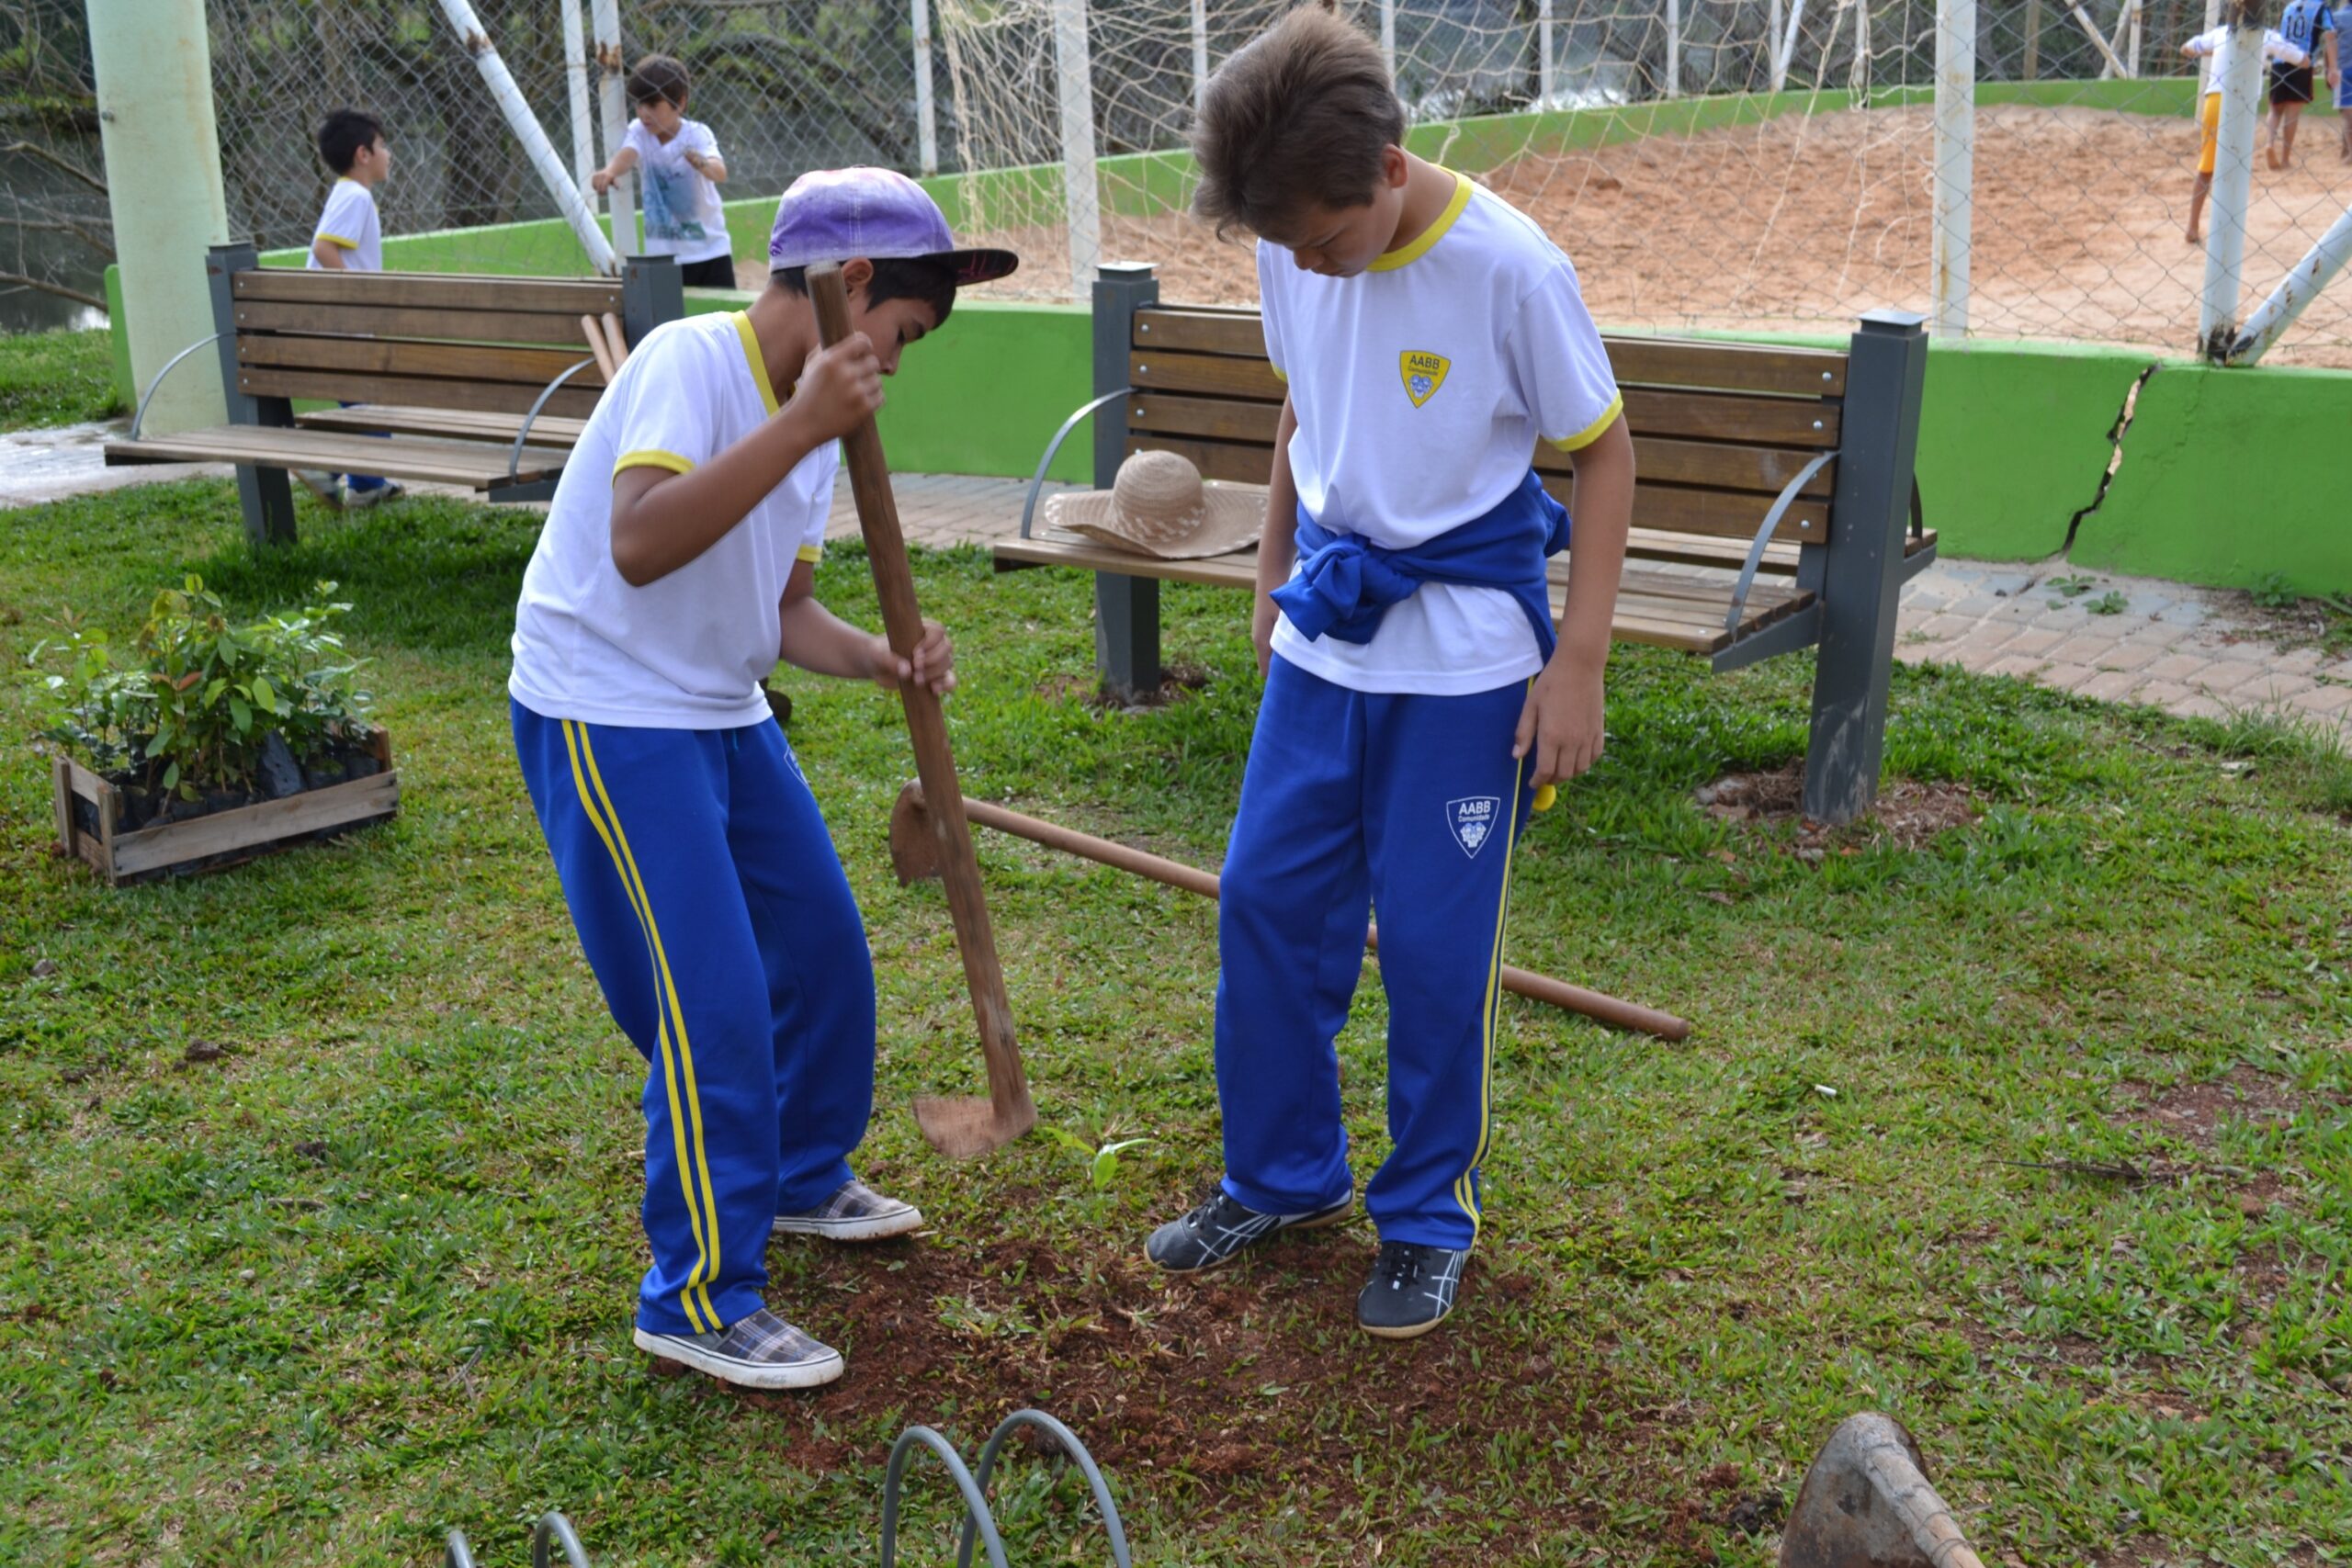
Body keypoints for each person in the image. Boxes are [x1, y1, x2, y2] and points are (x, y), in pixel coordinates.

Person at [1141, 6, 1634, 1341]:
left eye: (1326, 238)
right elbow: (1302, 405)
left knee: (1429, 942)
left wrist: (1575, 659)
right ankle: (1283, 1175)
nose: (1310, 263)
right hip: (1328, 637)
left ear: (1393, 168)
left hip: (1466, 660)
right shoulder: (1297, 242)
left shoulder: (1511, 270)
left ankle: (1425, 1214)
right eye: (1287, 246)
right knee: (1264, 900)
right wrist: (1271, 571)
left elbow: (1604, 453)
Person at [507, 169, 1017, 1390]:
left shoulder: (816, 423)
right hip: (608, 702)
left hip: (719, 704)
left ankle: (795, 1173)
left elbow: (784, 611)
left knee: (825, 949)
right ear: (849, 288)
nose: (894, 367)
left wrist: (884, 657)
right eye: (897, 336)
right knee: (715, 1002)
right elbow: (639, 542)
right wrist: (804, 425)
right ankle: (696, 1295)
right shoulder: (694, 362)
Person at [300, 108, 401, 509]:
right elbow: (324, 249)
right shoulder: (356, 196)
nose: (388, 154)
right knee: (369, 410)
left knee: (365, 406)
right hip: (341, 326)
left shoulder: (347, 193)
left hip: (335, 326)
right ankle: (326, 467)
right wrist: (355, 296)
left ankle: (365, 485)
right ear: (363, 154)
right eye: (382, 146)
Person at [590, 54, 736, 288]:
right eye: (639, 104)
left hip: (710, 252)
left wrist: (700, 163)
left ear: (680, 103)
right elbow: (628, 153)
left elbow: (719, 172)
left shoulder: (697, 134)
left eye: (653, 105)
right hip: (664, 259)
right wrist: (610, 171)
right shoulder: (640, 133)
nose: (643, 113)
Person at [2183, 22, 2311, 243]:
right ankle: (2227, 228)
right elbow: (2302, 60)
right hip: (2242, 103)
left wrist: (2220, 49)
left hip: (2215, 99)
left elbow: (2187, 48)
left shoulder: (2223, 32)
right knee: (2236, 168)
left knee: (2207, 167)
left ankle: (2192, 226)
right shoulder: (2265, 35)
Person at [2267, 0, 2338, 168]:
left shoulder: (2289, 7)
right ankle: (2285, 158)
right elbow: (2330, 36)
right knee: (2293, 112)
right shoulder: (2321, 8)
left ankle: (2269, 144)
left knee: (2275, 109)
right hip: (2302, 61)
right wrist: (2332, 68)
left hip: (2280, 60)